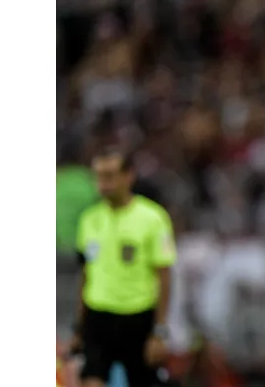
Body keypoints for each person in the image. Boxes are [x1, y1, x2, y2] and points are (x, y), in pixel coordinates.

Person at [71, 147, 177, 387]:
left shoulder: (153, 218)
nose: (103, 184)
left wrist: (159, 332)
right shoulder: (89, 220)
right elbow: (86, 274)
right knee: (90, 380)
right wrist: (79, 326)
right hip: (98, 317)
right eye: (99, 176)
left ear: (128, 175)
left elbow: (165, 277)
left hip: (137, 317)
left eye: (109, 176)